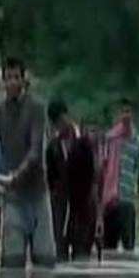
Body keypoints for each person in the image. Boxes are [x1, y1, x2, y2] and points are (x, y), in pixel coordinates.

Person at [0, 57, 56, 268]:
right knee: (11, 265)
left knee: (44, 263)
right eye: (8, 78)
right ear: (3, 81)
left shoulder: (36, 108)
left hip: (37, 196)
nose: (12, 83)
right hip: (13, 198)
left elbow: (35, 151)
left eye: (16, 77)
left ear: (23, 80)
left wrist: (18, 173)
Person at [45, 99, 98, 261]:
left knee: (81, 257)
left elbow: (93, 176)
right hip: (60, 209)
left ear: (67, 116)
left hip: (82, 209)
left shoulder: (84, 142)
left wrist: (96, 209)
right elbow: (50, 180)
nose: (60, 125)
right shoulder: (53, 147)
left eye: (62, 120)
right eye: (56, 123)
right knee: (59, 256)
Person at [97, 98, 139, 251]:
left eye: (129, 112)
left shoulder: (138, 142)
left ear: (133, 115)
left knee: (129, 249)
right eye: (123, 112)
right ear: (118, 114)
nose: (126, 115)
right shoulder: (110, 139)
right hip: (110, 203)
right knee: (108, 251)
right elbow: (102, 173)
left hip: (127, 201)